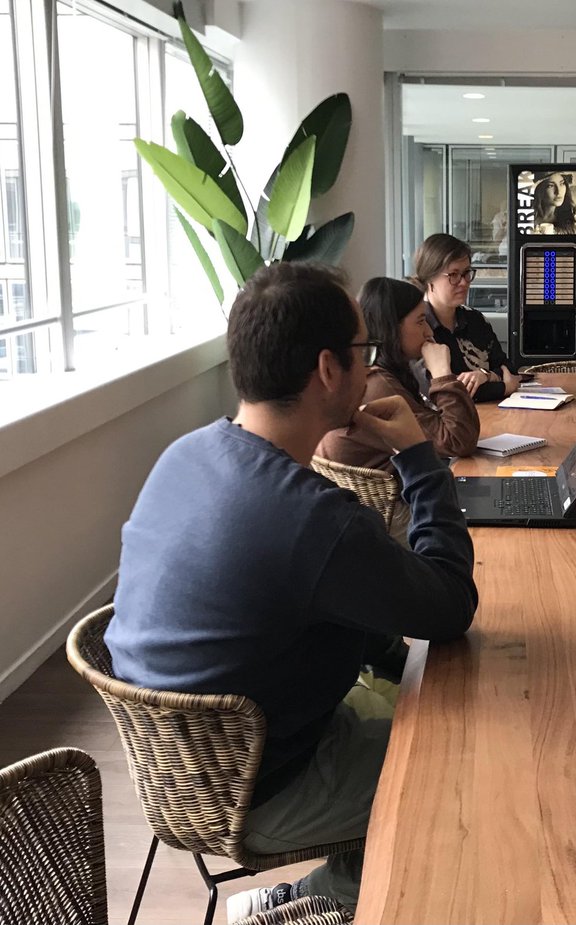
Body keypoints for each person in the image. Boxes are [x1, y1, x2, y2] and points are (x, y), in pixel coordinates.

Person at [103, 262, 478, 917]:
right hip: (255, 783)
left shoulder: (186, 453)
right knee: (464, 762)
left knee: (415, 696)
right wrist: (418, 454)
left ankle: (304, 895)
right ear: (329, 370)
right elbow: (451, 606)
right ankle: (319, 903)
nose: (372, 365)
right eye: (364, 351)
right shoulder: (311, 519)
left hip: (178, 763)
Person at [317, 276, 480, 466]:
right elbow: (458, 442)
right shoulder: (376, 384)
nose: (429, 332)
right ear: (391, 327)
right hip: (394, 495)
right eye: (420, 321)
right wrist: (442, 373)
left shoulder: (386, 372)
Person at [412, 233, 520, 403]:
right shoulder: (418, 327)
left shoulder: (475, 319)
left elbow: (510, 370)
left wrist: (485, 375)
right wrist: (505, 387)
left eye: (466, 273)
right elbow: (448, 392)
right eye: (453, 275)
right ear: (429, 278)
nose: (464, 282)